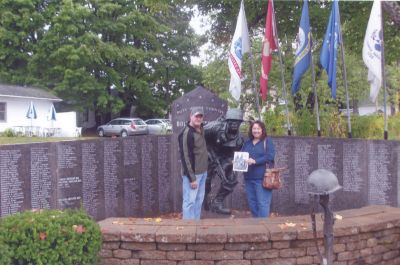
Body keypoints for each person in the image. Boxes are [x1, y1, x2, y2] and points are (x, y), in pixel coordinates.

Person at [204, 108, 244, 214]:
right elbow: (198, 136)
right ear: (226, 121)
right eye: (231, 121)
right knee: (206, 181)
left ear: (240, 123)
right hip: (208, 154)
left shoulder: (239, 140)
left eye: (237, 121)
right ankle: (204, 198)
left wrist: (228, 164)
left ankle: (217, 203)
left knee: (231, 179)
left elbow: (234, 155)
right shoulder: (214, 127)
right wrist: (207, 153)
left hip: (224, 157)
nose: (234, 124)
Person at [178, 107, 208, 219]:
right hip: (193, 175)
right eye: (196, 116)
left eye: (200, 116)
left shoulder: (201, 129)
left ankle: (196, 226)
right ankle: (188, 230)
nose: (198, 118)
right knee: (189, 202)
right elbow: (185, 157)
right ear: (190, 116)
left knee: (198, 201)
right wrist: (192, 178)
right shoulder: (187, 133)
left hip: (203, 172)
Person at [241, 121, 275, 218]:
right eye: (254, 129)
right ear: (251, 130)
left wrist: (255, 161)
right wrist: (236, 161)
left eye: (258, 128)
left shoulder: (267, 141)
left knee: (262, 204)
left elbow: (270, 157)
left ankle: (263, 227)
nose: (256, 131)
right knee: (252, 204)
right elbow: (242, 156)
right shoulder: (247, 143)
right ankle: (256, 227)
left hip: (262, 178)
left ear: (262, 130)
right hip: (248, 178)